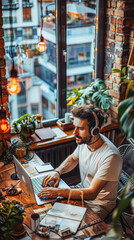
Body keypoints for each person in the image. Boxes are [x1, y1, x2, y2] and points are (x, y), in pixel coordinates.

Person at [38, 105, 122, 220]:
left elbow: (92, 193)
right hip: (81, 190)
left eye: (80, 129)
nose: (74, 133)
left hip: (98, 205)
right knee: (47, 212)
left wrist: (58, 192)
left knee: (65, 227)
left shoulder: (111, 156)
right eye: (75, 127)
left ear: (94, 130)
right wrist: (57, 172)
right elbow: (73, 159)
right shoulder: (86, 142)